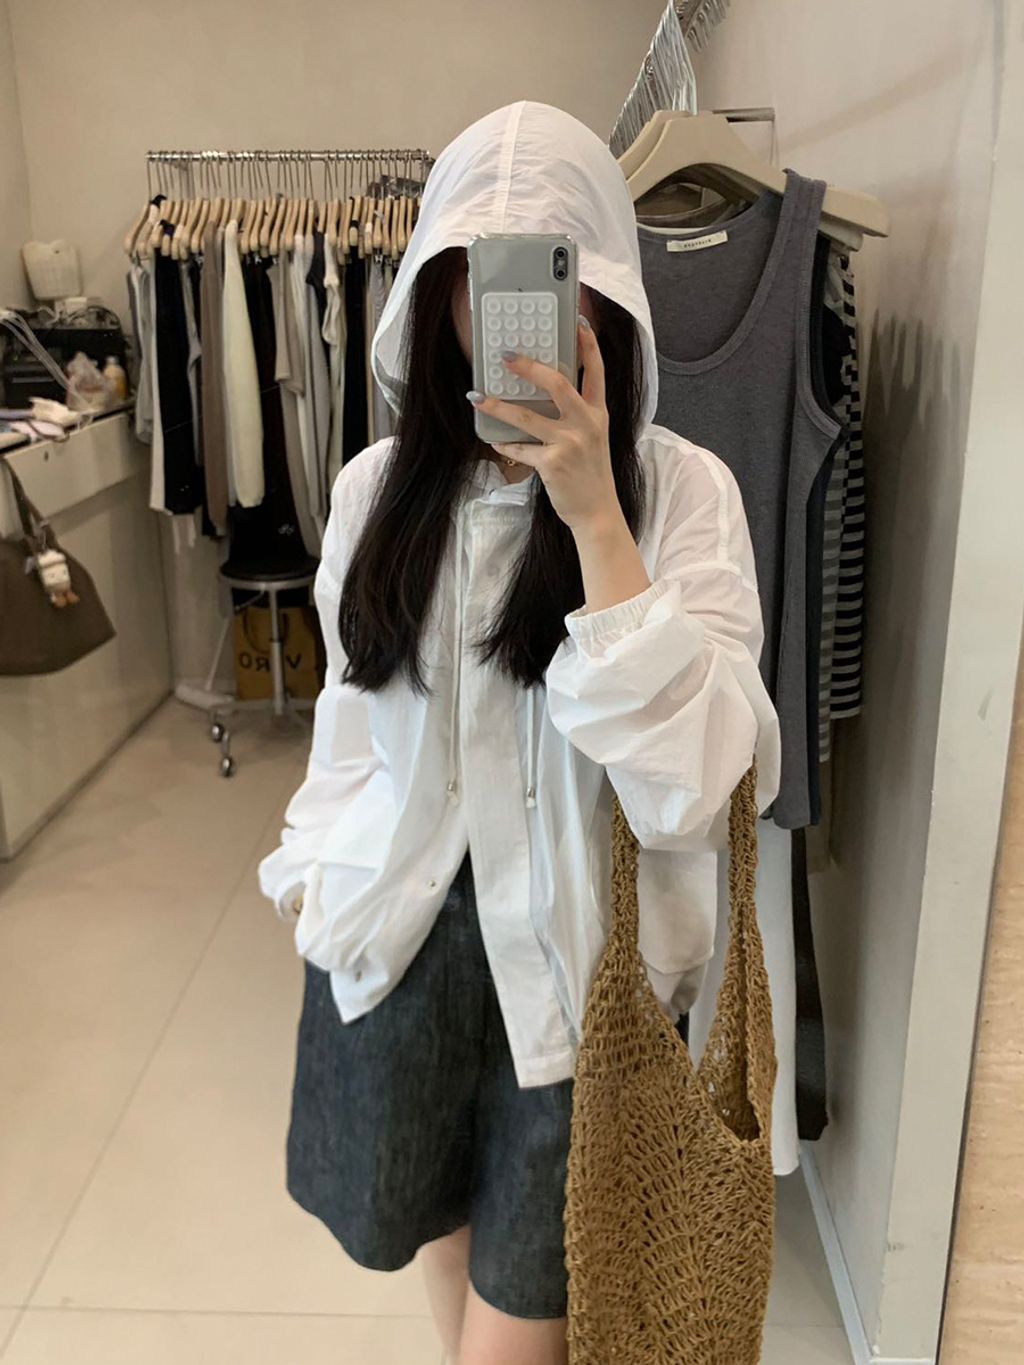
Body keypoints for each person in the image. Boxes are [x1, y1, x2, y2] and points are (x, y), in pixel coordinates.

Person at [258, 100, 781, 1365]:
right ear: (435, 291)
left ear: (604, 295)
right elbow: (351, 718)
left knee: (529, 1326)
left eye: (548, 276)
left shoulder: (680, 493)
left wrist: (595, 515)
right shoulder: (376, 491)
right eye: (470, 274)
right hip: (394, 956)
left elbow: (699, 787)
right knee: (438, 1243)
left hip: (580, 988)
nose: (502, 313)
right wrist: (310, 874)